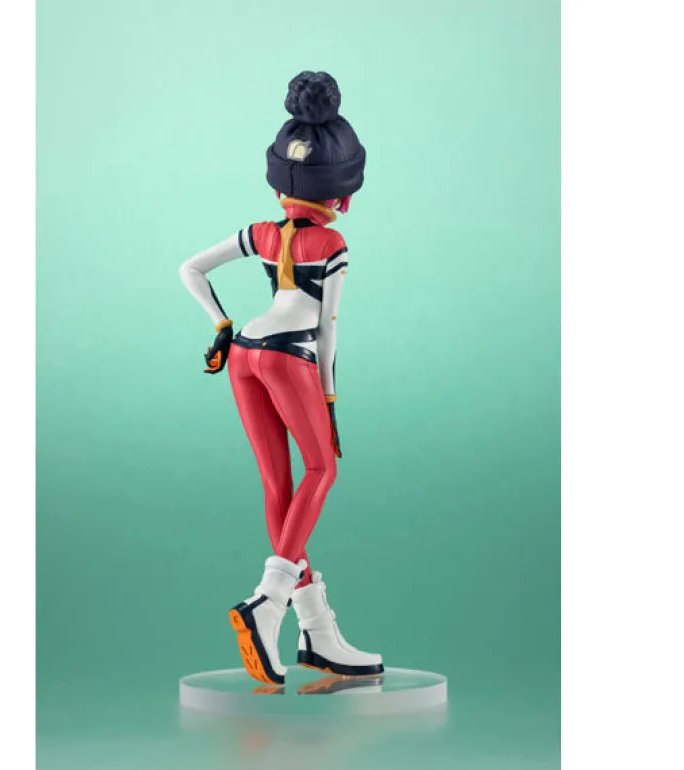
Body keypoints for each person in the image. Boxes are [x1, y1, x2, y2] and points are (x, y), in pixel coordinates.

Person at [180, 71, 383, 685]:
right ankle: (268, 603)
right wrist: (330, 400)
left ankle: (317, 630)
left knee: (280, 484)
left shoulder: (261, 233)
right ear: (343, 196)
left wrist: (222, 324)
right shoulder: (333, 243)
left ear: (278, 186)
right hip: (290, 356)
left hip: (245, 351)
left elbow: (191, 269)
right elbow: (327, 331)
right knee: (322, 470)